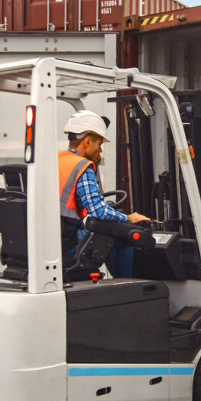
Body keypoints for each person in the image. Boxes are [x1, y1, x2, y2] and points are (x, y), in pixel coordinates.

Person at [58, 110, 149, 277]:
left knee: (103, 234)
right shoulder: (82, 166)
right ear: (86, 142)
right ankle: (126, 287)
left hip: (53, 237)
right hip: (66, 240)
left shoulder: (58, 159)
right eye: (99, 144)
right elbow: (98, 210)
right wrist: (128, 218)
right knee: (122, 239)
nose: (100, 150)